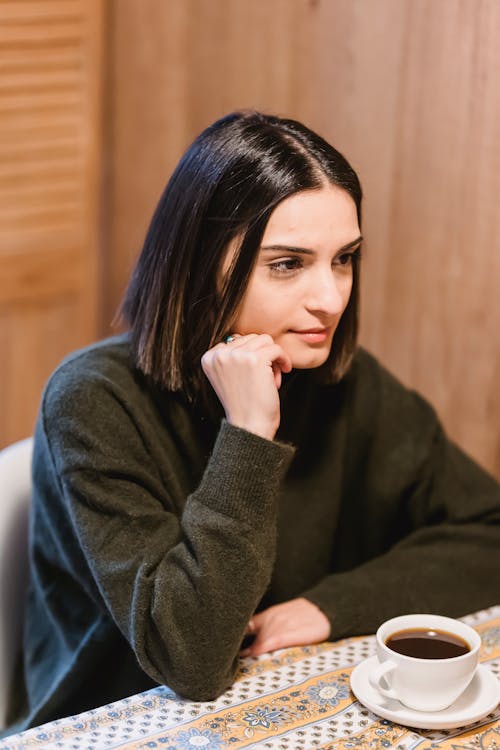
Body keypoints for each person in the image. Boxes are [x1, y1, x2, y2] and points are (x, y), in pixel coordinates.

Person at [7, 111, 500, 734]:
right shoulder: (93, 400)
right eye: (288, 264)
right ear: (201, 264)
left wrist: (328, 607)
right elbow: (189, 657)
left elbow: (489, 528)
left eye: (343, 258)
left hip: (289, 691)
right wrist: (247, 433)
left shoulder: (343, 381)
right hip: (114, 718)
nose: (330, 297)